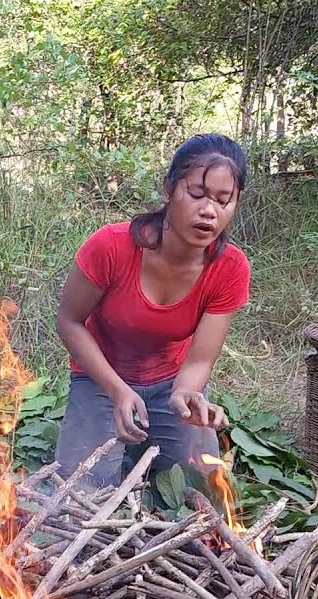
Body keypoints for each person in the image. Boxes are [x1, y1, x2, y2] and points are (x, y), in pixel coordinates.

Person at [54, 133, 252, 488]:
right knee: (79, 499)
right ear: (169, 189)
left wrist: (185, 395)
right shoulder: (111, 247)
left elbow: (199, 361)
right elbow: (69, 322)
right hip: (99, 379)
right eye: (196, 194)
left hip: (169, 382)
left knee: (202, 493)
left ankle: (152, 434)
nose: (209, 211)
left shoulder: (230, 268)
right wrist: (117, 391)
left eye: (224, 201)